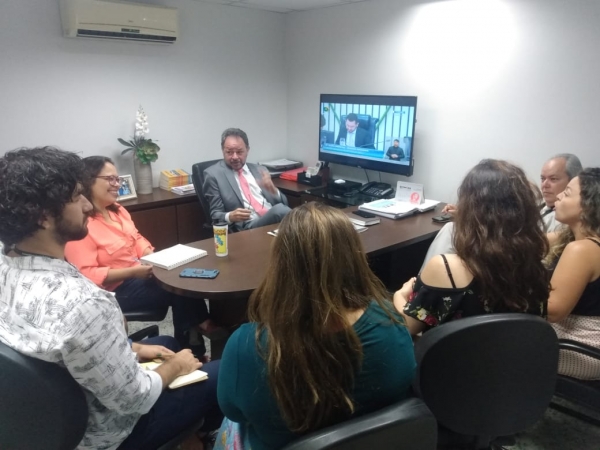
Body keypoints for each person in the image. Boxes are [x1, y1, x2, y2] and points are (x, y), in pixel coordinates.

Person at [0, 147, 222, 450]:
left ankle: (190, 430)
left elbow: (57, 344)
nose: (87, 206)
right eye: (77, 196)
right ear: (43, 218)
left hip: (48, 419)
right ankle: (207, 433)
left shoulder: (5, 267)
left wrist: (135, 347)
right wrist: (177, 368)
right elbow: (137, 398)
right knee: (222, 369)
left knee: (168, 346)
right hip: (111, 433)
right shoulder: (84, 302)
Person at [215, 202, 416, 450]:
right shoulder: (393, 327)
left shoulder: (246, 345)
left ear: (281, 265)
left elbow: (233, 412)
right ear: (354, 257)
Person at [65, 156, 216, 357]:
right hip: (113, 291)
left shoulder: (118, 210)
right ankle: (197, 339)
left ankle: (194, 337)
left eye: (117, 179)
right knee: (178, 289)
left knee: (180, 273)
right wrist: (134, 272)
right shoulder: (82, 225)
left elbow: (137, 239)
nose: (116, 184)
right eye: (110, 179)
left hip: (140, 273)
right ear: (88, 181)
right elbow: (87, 275)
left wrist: (151, 256)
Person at [394, 159, 550, 336]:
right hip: (514, 362)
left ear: (469, 210)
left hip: (451, 363)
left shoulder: (445, 268)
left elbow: (406, 330)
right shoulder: (536, 270)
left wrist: (399, 296)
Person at [420, 153, 583, 269]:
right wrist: (471, 215)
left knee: (451, 231)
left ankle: (420, 291)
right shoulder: (538, 207)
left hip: (509, 266)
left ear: (573, 181)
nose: (545, 185)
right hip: (501, 260)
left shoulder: (564, 220)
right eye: (542, 178)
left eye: (553, 179)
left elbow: (524, 242)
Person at [545, 168, 600, 380]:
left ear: (588, 206)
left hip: (582, 348)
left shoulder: (582, 249)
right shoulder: (577, 238)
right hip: (583, 340)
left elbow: (552, 311)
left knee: (490, 333)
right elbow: (532, 242)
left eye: (566, 193)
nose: (558, 196)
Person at [203, 128, 291, 231]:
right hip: (247, 226)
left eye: (239, 152)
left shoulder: (260, 170)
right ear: (223, 151)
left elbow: (285, 204)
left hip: (274, 223)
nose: (235, 157)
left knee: (304, 211)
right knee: (280, 211)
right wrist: (230, 216)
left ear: (247, 150)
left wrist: (274, 191)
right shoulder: (213, 174)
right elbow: (215, 215)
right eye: (229, 152)